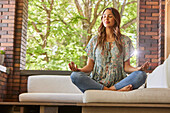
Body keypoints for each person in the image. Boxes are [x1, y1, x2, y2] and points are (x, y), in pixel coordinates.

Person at [68, 7, 150, 93]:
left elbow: (126, 67)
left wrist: (138, 69)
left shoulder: (125, 40)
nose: (106, 18)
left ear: (116, 19)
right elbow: (90, 66)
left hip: (119, 82)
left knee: (141, 75)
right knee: (75, 76)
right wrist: (78, 70)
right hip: (97, 83)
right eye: (104, 16)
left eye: (110, 16)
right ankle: (114, 91)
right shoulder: (95, 40)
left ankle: (111, 89)